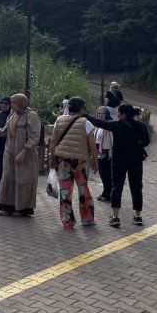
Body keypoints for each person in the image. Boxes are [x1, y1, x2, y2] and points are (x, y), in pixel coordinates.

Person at [85, 103, 149, 228]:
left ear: (123, 114)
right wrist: (136, 145)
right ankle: (137, 215)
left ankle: (115, 217)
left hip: (119, 160)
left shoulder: (117, 125)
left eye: (118, 113)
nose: (117, 114)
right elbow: (146, 142)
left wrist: (85, 114)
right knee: (136, 187)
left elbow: (99, 123)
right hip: (135, 160)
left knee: (117, 186)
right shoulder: (141, 126)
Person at [49, 97, 99, 230]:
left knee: (65, 191)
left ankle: (67, 222)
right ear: (81, 108)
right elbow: (92, 146)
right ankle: (87, 218)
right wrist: (95, 160)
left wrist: (51, 158)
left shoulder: (58, 120)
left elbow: (53, 141)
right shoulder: (85, 122)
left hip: (62, 161)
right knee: (83, 188)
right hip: (80, 162)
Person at [0, 93, 40, 217]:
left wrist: (24, 151)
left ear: (21, 103)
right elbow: (7, 127)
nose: (11, 105)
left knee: (22, 178)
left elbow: (34, 137)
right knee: (8, 176)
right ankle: (7, 205)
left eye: (13, 102)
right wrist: (0, 132)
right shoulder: (12, 114)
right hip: (10, 151)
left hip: (25, 154)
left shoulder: (31, 116)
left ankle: (22, 208)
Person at [93, 107, 114, 202]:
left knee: (106, 174)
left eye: (103, 113)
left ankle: (107, 194)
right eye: (99, 113)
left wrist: (110, 153)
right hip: (99, 151)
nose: (100, 115)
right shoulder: (97, 125)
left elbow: (111, 140)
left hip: (106, 152)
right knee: (102, 174)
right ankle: (106, 193)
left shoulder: (109, 124)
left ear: (107, 114)